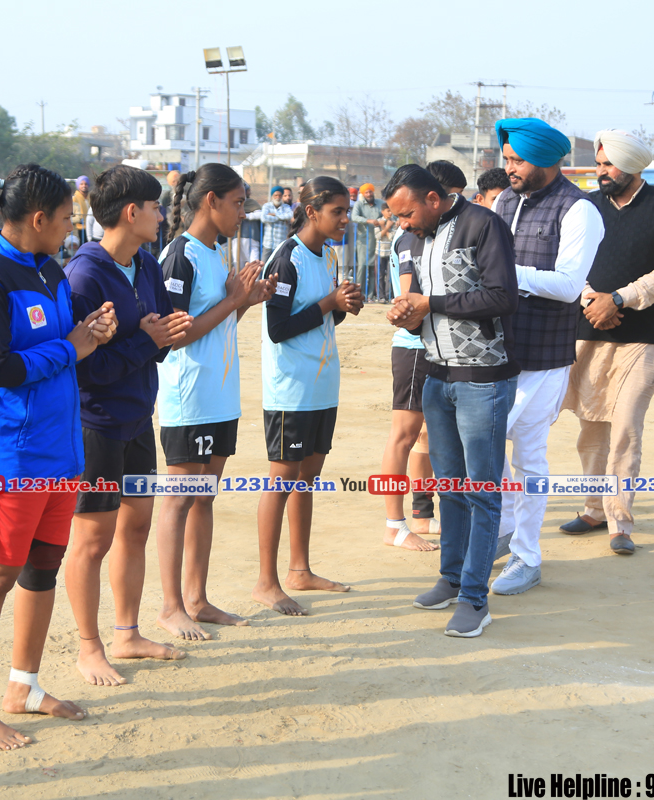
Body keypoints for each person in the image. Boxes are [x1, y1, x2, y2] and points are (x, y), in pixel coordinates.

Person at [0, 163, 118, 750]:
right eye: (69, 217)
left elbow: (65, 346)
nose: (74, 226)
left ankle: (23, 686)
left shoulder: (50, 270)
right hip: (10, 457)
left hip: (60, 452)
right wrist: (70, 346)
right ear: (39, 218)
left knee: (42, 569)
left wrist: (92, 331)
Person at [62, 166, 193, 685]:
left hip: (139, 418)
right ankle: (89, 647)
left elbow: (156, 337)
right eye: (156, 207)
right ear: (131, 212)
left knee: (135, 527)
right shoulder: (84, 276)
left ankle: (127, 633)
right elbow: (85, 368)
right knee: (93, 540)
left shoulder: (146, 264)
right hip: (96, 426)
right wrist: (146, 339)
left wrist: (160, 335)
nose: (162, 216)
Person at [386, 164, 520, 638]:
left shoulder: (483, 225)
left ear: (433, 198)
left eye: (406, 214)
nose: (402, 224)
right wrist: (407, 312)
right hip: (435, 375)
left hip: (482, 378)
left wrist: (432, 304)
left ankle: (475, 599)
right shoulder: (416, 238)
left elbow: (502, 297)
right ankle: (451, 578)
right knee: (450, 488)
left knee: (482, 492)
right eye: (397, 217)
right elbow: (421, 301)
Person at [156, 163, 276, 640]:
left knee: (204, 498)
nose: (243, 212)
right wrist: (232, 300)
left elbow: (219, 325)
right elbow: (176, 335)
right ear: (211, 201)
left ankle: (197, 599)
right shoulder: (179, 255)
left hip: (220, 395)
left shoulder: (216, 252)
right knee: (178, 500)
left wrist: (246, 300)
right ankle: (170, 607)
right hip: (189, 397)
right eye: (238, 203)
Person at [488, 117, 605, 594]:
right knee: (486, 443)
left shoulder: (579, 210)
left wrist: (505, 273)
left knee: (528, 454)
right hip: (495, 350)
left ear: (545, 160)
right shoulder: (504, 200)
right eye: (507, 158)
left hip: (544, 356)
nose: (509, 167)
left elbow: (569, 285)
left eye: (517, 160)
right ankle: (504, 531)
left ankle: (527, 556)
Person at [559, 129, 654, 555]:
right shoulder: (587, 206)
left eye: (609, 165)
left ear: (632, 166)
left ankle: (619, 521)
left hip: (640, 339)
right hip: (587, 332)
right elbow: (568, 262)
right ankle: (593, 509)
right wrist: (591, 300)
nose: (602, 172)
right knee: (591, 428)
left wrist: (618, 299)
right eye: (599, 164)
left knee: (626, 428)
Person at [255, 177, 363, 615]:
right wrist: (328, 303)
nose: (345, 219)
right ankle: (266, 582)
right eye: (338, 211)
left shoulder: (328, 255)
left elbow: (321, 319)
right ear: (312, 211)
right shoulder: (287, 259)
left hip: (321, 386)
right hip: (291, 391)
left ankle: (299, 569)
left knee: (307, 479)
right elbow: (278, 328)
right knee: (281, 481)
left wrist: (342, 306)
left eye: (347, 211)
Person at [380, 220, 441, 552]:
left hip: (431, 346)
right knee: (403, 436)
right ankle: (394, 525)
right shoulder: (410, 237)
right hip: (415, 347)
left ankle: (421, 514)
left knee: (424, 435)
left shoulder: (426, 234)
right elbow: (407, 299)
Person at [350, 183, 384, 297]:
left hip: (377, 239)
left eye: (370, 192)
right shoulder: (359, 204)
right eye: (367, 192)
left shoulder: (380, 203)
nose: (369, 194)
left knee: (374, 268)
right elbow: (354, 217)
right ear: (363, 194)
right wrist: (368, 221)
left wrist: (380, 221)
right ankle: (360, 293)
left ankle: (370, 295)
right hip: (363, 241)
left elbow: (387, 214)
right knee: (362, 267)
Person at [261, 185, 293, 259]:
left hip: (280, 242)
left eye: (279, 195)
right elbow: (263, 218)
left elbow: (289, 216)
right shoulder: (267, 206)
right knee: (264, 264)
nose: (277, 197)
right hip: (268, 243)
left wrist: (274, 215)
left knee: (279, 263)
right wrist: (281, 217)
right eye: (275, 195)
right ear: (272, 196)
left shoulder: (286, 207)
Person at [375, 204, 396, 303]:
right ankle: (381, 296)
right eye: (388, 211)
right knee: (380, 275)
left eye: (391, 211)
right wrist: (386, 227)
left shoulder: (394, 222)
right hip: (379, 252)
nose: (390, 213)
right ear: (382, 211)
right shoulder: (378, 222)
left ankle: (389, 295)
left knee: (390, 275)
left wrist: (384, 227)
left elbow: (392, 237)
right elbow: (378, 236)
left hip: (390, 252)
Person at [72, 174, 91, 244]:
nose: (84, 186)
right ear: (78, 185)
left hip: (90, 227)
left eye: (86, 184)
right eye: (81, 184)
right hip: (79, 228)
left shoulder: (92, 197)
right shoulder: (74, 198)